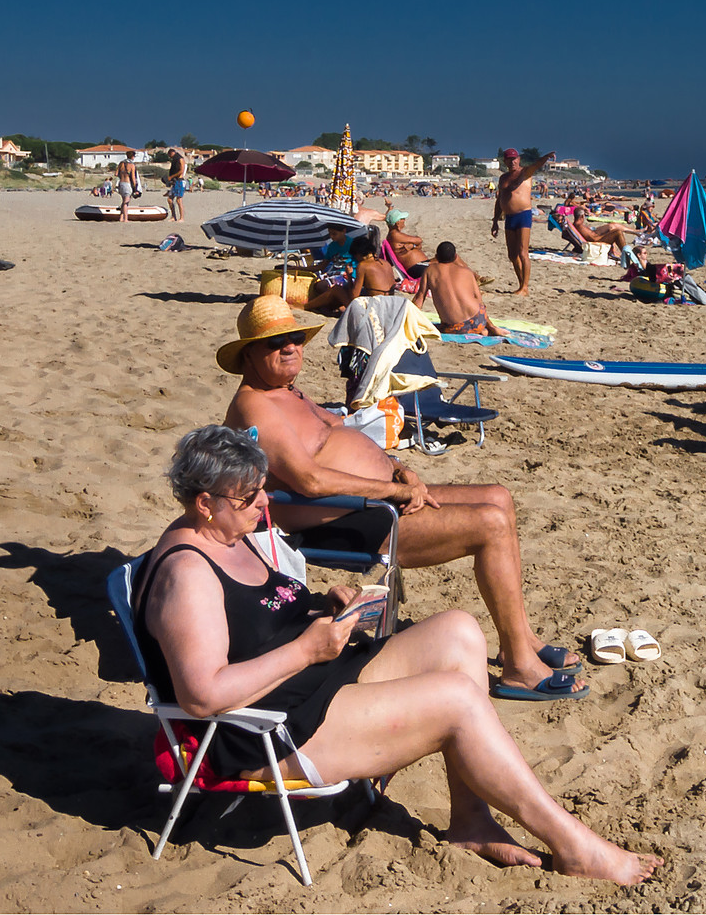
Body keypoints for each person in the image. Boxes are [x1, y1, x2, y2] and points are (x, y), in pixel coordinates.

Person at [137, 426, 661, 882]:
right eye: (249, 497)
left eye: (261, 490)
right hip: (265, 731)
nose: (263, 504)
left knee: (458, 632)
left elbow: (257, 617)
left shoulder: (229, 534)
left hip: (311, 682)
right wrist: (304, 648)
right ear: (203, 502)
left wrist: (325, 605)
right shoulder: (188, 574)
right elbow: (203, 696)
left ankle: (470, 820)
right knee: (457, 699)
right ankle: (575, 847)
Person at [221, 298, 583, 699]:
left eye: (293, 337)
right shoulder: (254, 404)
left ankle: (523, 639)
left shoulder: (288, 393)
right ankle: (518, 666)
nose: (290, 347)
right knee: (490, 524)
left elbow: (344, 435)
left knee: (499, 498)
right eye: (276, 342)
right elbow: (308, 480)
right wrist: (396, 490)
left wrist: (397, 466)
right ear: (248, 353)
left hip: (371, 503)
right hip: (342, 519)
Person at [490, 149, 552, 296]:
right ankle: (521, 284)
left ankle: (525, 287)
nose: (512, 162)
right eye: (509, 160)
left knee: (523, 252)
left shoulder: (525, 173)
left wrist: (546, 157)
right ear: (504, 161)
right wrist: (495, 221)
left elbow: (536, 164)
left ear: (519, 159)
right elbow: (499, 200)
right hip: (509, 217)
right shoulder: (503, 178)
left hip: (523, 215)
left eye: (514, 159)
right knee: (512, 255)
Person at [414, 242, 500, 336]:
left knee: (441, 327)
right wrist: (489, 324)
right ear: (455, 257)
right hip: (478, 320)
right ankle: (486, 328)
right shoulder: (467, 271)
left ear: (436, 257)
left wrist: (410, 319)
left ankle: (480, 330)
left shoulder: (429, 271)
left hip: (454, 327)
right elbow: (479, 300)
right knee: (476, 311)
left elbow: (420, 298)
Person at [164, 149, 188, 221]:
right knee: (169, 199)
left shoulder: (180, 159)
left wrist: (171, 177)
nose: (170, 157)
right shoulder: (174, 160)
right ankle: (173, 216)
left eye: (169, 155)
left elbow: (181, 171)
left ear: (171, 153)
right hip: (175, 181)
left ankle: (182, 218)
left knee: (179, 200)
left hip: (179, 181)